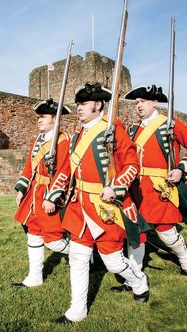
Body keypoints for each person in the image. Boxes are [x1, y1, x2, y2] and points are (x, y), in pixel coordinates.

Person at [55, 83, 149, 324]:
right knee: (78, 256)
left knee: (113, 261)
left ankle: (138, 281)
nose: (79, 108)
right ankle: (77, 311)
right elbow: (67, 168)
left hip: (106, 207)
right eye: (77, 104)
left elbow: (131, 165)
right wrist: (54, 193)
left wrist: (116, 187)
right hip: (80, 205)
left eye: (83, 104)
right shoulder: (77, 135)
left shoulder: (112, 128)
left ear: (98, 104)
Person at [120, 85, 187, 278]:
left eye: (143, 101)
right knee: (135, 232)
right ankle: (135, 275)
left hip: (159, 187)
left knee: (165, 231)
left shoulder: (169, 124)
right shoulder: (132, 130)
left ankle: (185, 256)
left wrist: (181, 168)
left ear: (155, 102)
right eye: (137, 102)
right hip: (135, 187)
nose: (139, 105)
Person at [13, 98, 71, 288]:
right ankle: (35, 277)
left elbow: (64, 171)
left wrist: (52, 196)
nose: (39, 120)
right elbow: (29, 167)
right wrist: (22, 189)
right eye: (39, 117)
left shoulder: (63, 141)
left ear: (54, 119)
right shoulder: (38, 140)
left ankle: (82, 254)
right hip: (34, 194)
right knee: (33, 234)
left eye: (43, 117)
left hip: (50, 195)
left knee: (53, 240)